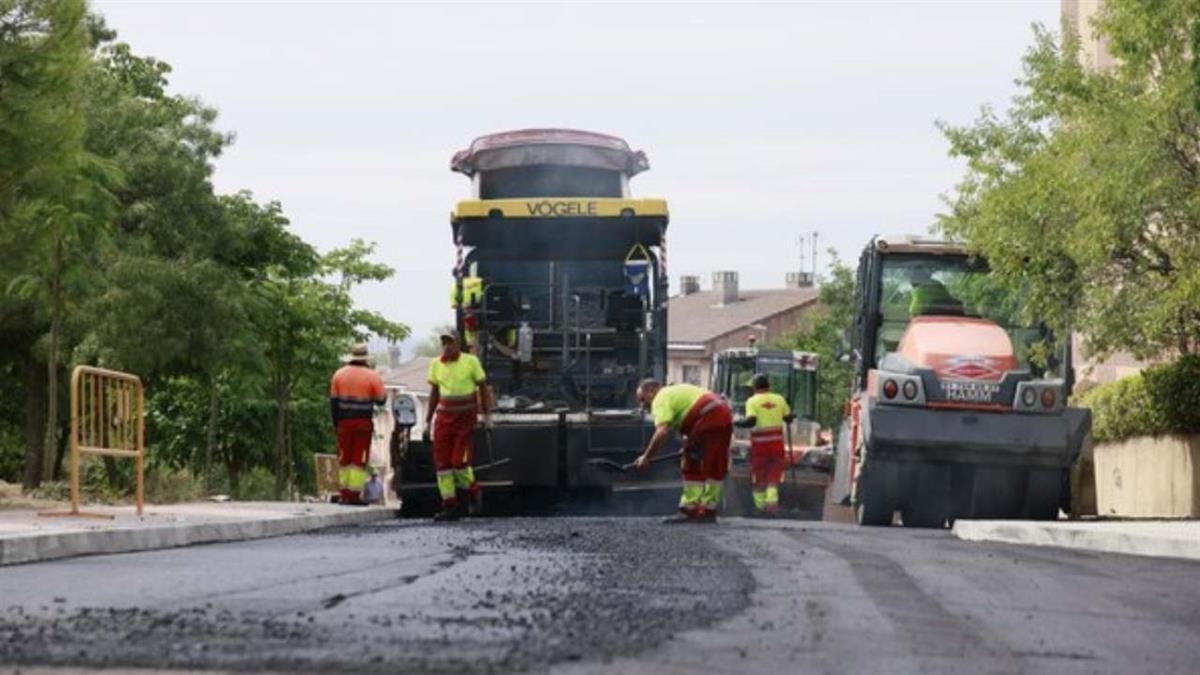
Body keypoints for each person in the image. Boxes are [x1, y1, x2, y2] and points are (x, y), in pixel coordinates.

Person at [633, 379, 733, 523]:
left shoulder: (660, 398)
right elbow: (688, 415)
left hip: (708, 415)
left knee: (691, 461)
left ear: (652, 391)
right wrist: (688, 443)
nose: (643, 405)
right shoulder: (675, 391)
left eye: (642, 399)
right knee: (715, 465)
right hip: (724, 414)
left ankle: (689, 509)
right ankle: (708, 510)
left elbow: (662, 432)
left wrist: (646, 457)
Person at [425, 331, 492, 521]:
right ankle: (450, 506)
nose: (447, 347)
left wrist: (487, 415)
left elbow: (483, 388)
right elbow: (434, 394)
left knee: (459, 463)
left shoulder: (470, 362)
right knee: (442, 465)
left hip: (464, 421)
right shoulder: (436, 364)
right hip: (444, 420)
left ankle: (473, 491)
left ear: (458, 344)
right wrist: (428, 421)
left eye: (450, 343)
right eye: (444, 343)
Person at [329, 344, 386, 505]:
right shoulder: (372, 376)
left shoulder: (338, 375)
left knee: (344, 459)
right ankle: (354, 495)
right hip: (362, 424)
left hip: (343, 424)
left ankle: (344, 493)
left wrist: (336, 424)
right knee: (358, 460)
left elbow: (333, 403)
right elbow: (382, 400)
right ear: (366, 358)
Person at [735, 374, 796, 517]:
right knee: (774, 474)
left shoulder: (752, 401)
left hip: (760, 446)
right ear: (769, 386)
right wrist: (792, 415)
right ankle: (772, 506)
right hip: (776, 445)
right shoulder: (779, 399)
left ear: (755, 388)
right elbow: (788, 418)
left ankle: (760, 507)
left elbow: (751, 421)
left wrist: (736, 422)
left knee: (759, 475)